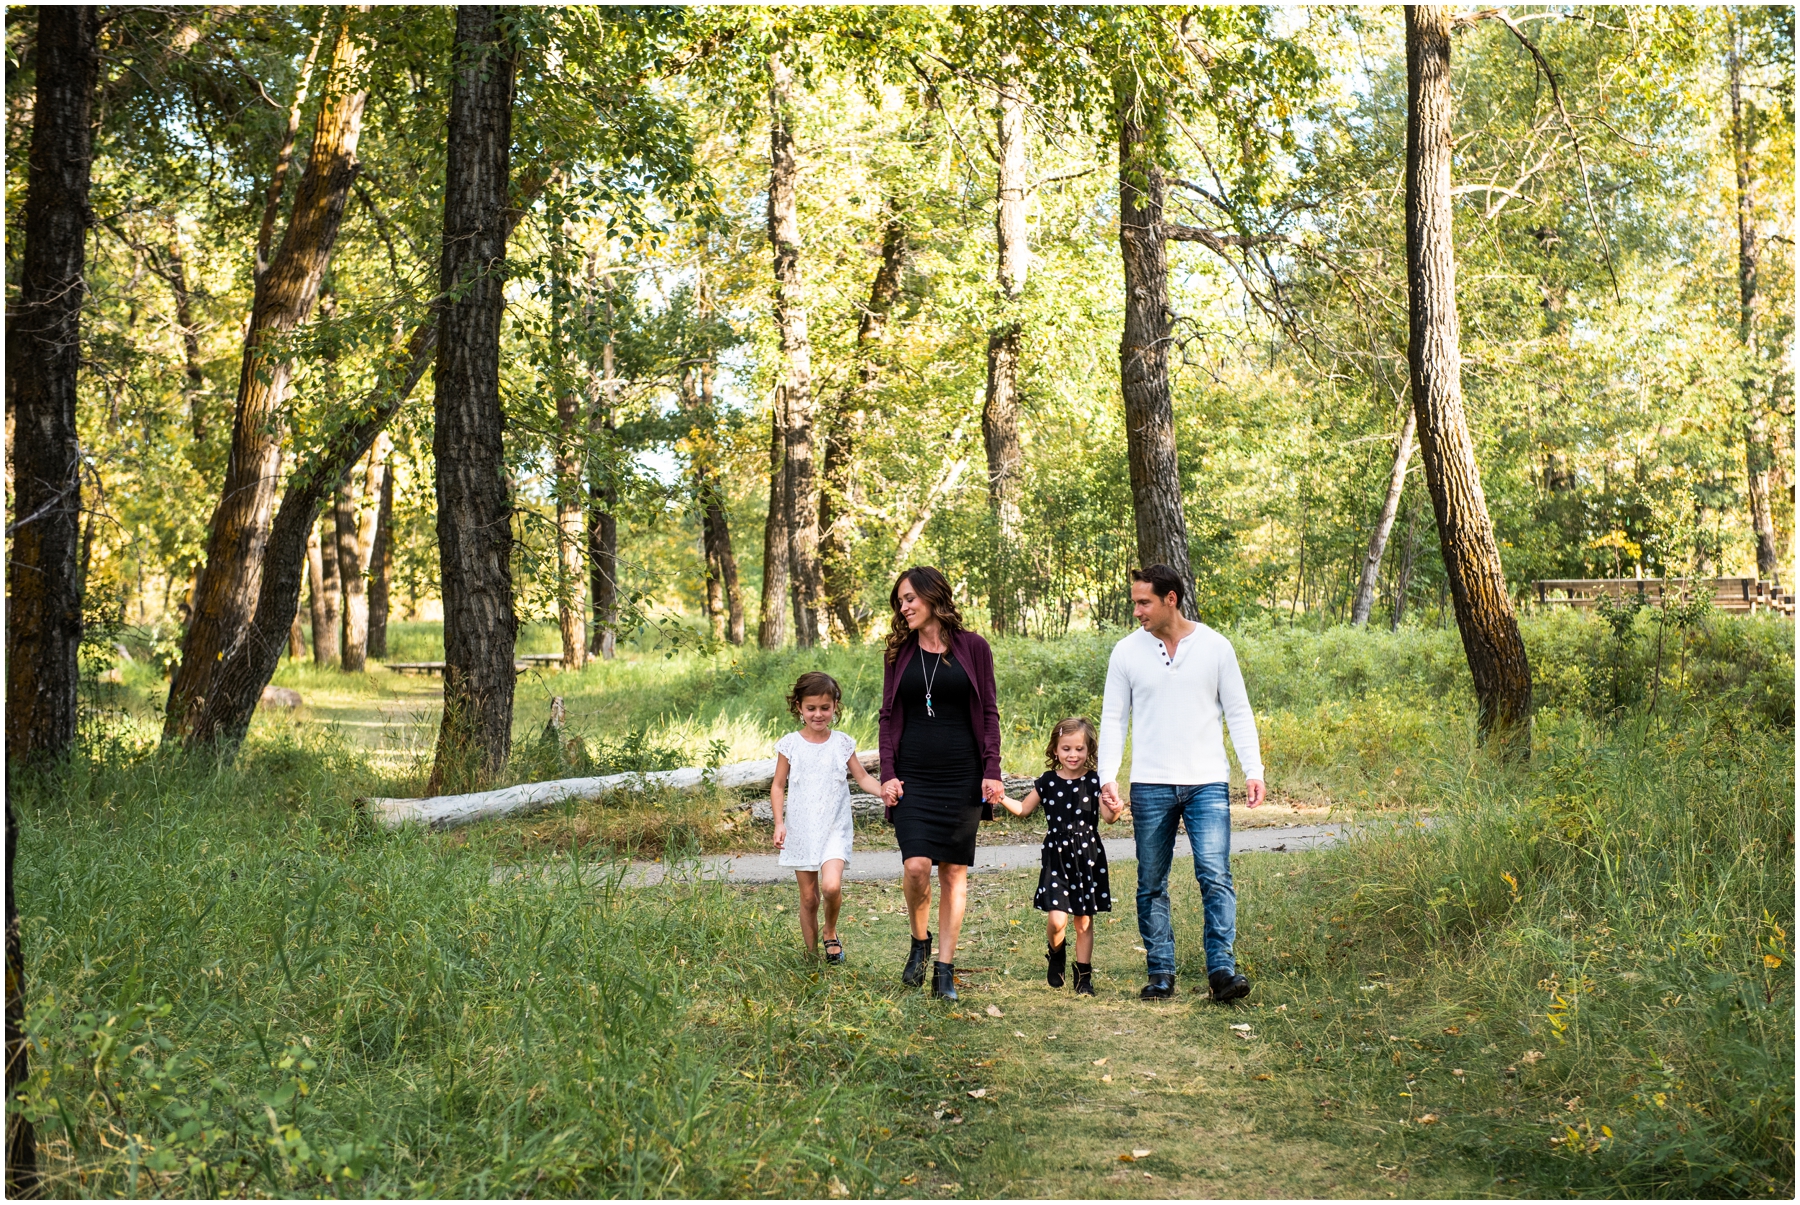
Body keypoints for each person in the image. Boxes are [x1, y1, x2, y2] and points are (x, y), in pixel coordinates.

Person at [1097, 564, 1266, 1004]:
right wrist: (1107, 777)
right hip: (1150, 784)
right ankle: (1161, 971)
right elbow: (1113, 718)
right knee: (1151, 881)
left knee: (1215, 875)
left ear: (1171, 598)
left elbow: (1239, 711)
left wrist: (1254, 769)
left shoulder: (1215, 647)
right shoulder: (1126, 652)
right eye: (1134, 602)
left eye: (1143, 602)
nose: (1136, 611)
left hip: (1207, 781)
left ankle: (1222, 971)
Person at [878, 566, 1005, 1000]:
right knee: (915, 867)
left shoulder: (974, 648)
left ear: (933, 597)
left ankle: (944, 969)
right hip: (914, 776)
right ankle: (920, 940)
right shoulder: (898, 653)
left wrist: (993, 770)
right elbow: (887, 715)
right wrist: (888, 774)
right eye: (900, 601)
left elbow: (989, 711)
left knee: (953, 871)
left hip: (962, 776)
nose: (904, 606)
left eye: (910, 598)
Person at [1001, 717, 1122, 996]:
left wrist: (1116, 807)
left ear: (1089, 750)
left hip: (1087, 858)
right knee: (1057, 921)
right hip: (1056, 857)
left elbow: (1109, 817)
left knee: (1083, 920)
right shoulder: (1047, 782)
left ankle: (1083, 977)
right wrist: (1000, 798)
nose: (1073, 755)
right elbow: (1022, 809)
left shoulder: (1095, 781)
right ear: (1055, 750)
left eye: (1079, 749)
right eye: (1066, 748)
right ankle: (1056, 955)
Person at [772, 671, 884, 963]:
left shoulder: (843, 743)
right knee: (809, 898)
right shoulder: (790, 744)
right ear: (799, 707)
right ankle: (811, 959)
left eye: (825, 707)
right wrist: (779, 823)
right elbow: (778, 785)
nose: (818, 714)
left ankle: (830, 930)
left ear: (835, 706)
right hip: (801, 829)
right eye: (811, 708)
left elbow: (862, 778)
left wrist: (883, 791)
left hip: (835, 827)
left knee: (831, 886)